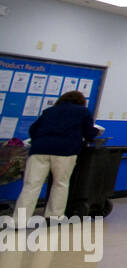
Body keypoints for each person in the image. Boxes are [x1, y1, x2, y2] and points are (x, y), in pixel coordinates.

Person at [13, 91, 98, 224]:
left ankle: (19, 220)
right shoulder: (83, 111)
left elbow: (33, 130)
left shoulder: (49, 111)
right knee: (60, 184)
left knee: (31, 185)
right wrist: (93, 134)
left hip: (39, 150)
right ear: (81, 101)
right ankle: (54, 217)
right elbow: (89, 133)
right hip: (65, 151)